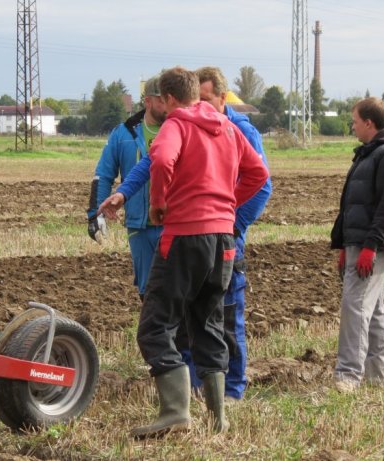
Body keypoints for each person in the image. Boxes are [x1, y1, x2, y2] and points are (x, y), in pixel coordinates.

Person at [100, 67, 272, 401]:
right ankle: (206, 401)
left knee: (215, 319)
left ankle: (226, 393)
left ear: (222, 99)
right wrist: (124, 193)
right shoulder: (207, 126)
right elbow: (150, 163)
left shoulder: (225, 128)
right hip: (217, 234)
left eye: (207, 100)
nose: (202, 107)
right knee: (201, 322)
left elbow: (262, 184)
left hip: (209, 235)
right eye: (199, 99)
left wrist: (230, 218)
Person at [331, 97, 384, 393]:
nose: (352, 126)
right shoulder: (368, 154)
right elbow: (353, 204)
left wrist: (370, 247)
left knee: (355, 306)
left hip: (372, 245)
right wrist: (344, 245)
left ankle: (348, 375)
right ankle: (376, 376)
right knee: (372, 308)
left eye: (354, 121)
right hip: (359, 242)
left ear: (369, 122)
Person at [86, 76, 166, 300]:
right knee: (148, 291)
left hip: (176, 224)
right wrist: (95, 215)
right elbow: (103, 174)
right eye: (162, 100)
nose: (168, 105)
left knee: (177, 290)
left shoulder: (179, 131)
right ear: (148, 101)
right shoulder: (123, 135)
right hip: (140, 226)